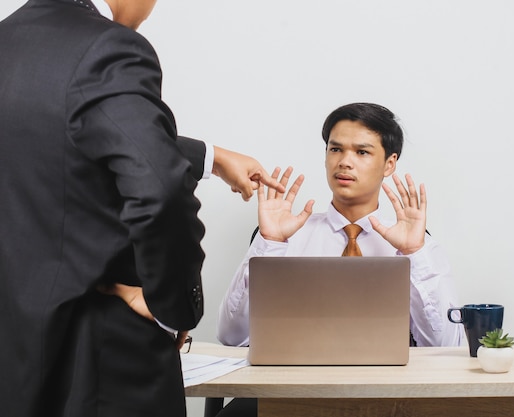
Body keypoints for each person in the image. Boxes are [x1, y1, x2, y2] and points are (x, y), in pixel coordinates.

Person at [0, 1, 284, 417]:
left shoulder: (10, 41)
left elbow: (43, 136)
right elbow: (160, 190)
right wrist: (172, 306)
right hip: (100, 355)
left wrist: (210, 156)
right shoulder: (107, 47)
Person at [214, 102, 465, 416]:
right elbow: (230, 337)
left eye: (362, 152)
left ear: (389, 164)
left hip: (388, 397)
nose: (345, 162)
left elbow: (447, 346)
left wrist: (414, 253)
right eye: (335, 149)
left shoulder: (415, 243)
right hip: (290, 394)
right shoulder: (286, 236)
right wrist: (269, 243)